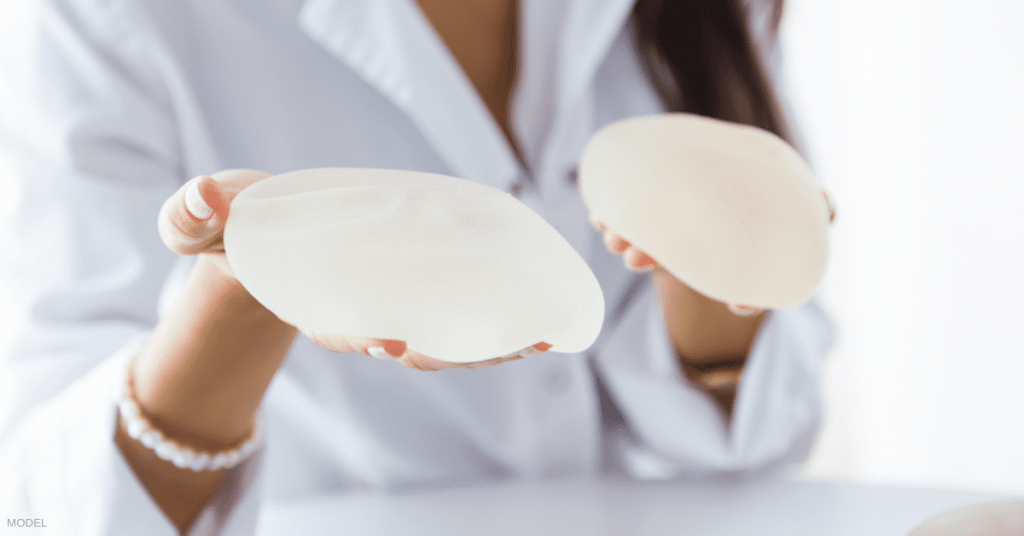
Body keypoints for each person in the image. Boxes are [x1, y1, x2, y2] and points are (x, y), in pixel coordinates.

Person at [0, 0, 834, 534]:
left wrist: (720, 261)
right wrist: (244, 293)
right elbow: (49, 509)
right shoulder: (111, 20)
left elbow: (764, 440)